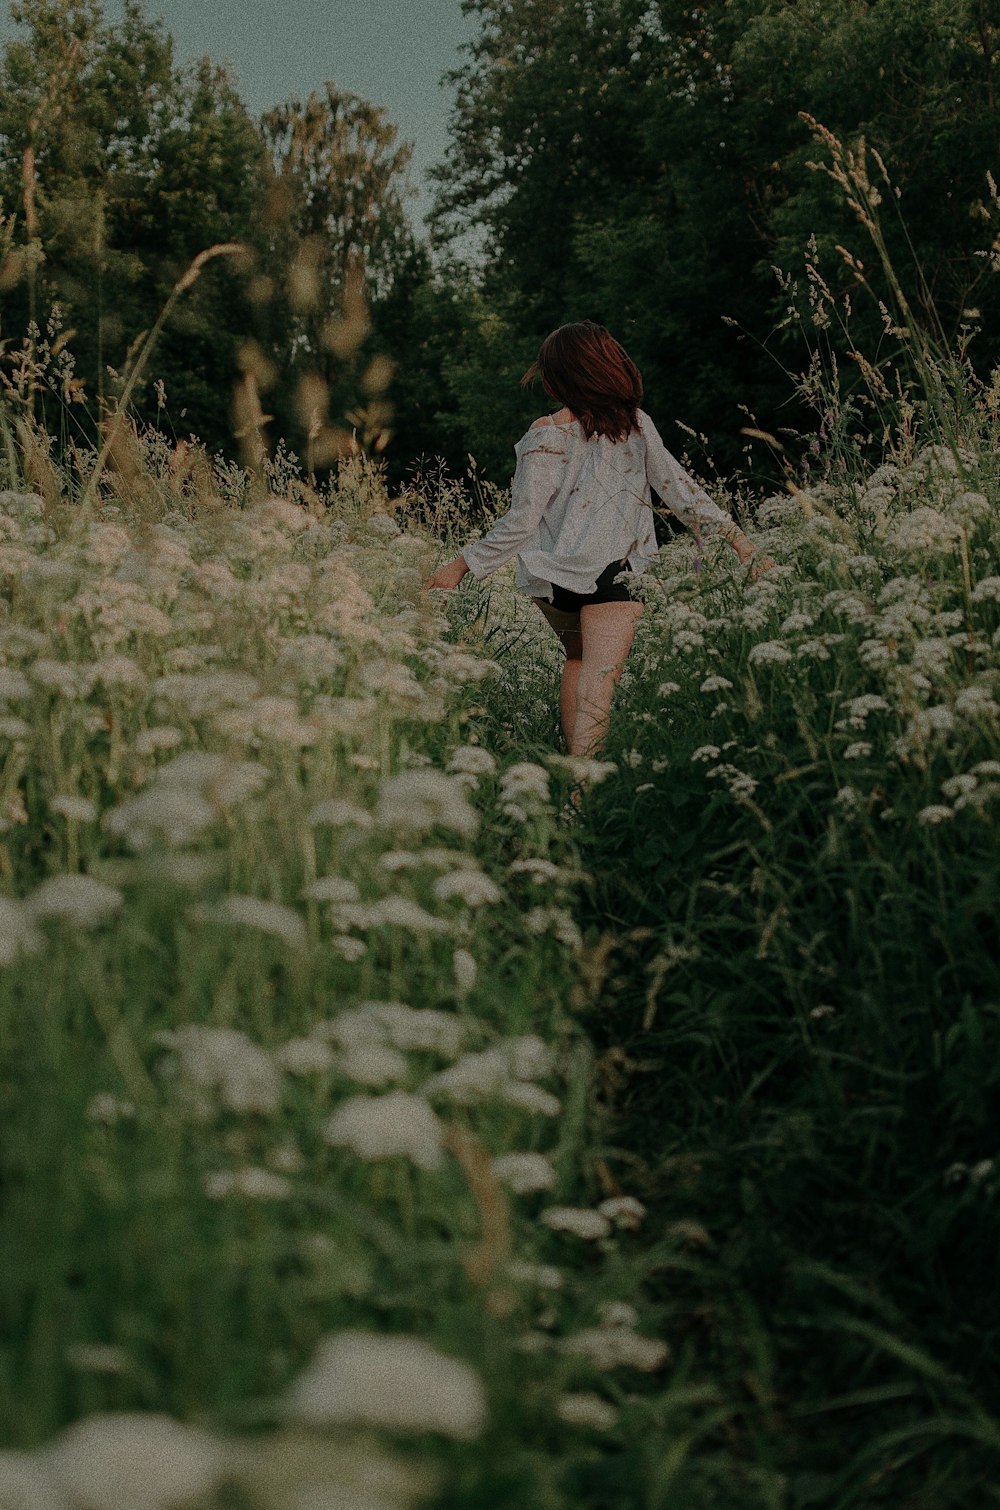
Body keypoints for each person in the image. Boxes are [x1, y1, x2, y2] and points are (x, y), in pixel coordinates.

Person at [423, 320, 772, 764]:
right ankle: (582, 789)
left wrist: (461, 564)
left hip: (553, 577)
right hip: (615, 571)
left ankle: (574, 769)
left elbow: (523, 519)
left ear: (560, 376)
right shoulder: (634, 426)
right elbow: (680, 492)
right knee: (600, 678)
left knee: (578, 661)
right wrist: (740, 542)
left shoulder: (545, 431)